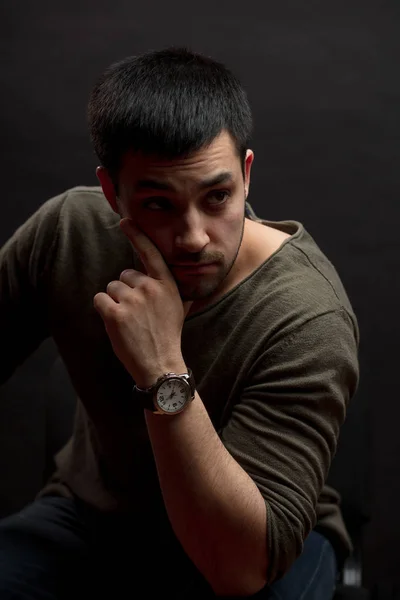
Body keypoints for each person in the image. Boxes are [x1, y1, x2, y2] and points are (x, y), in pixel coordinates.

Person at [0, 46, 359, 599]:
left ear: (245, 175)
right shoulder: (69, 231)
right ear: (112, 192)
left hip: (253, 538)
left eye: (217, 197)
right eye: (159, 204)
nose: (194, 237)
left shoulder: (307, 316)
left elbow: (238, 570)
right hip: (94, 518)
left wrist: (162, 367)